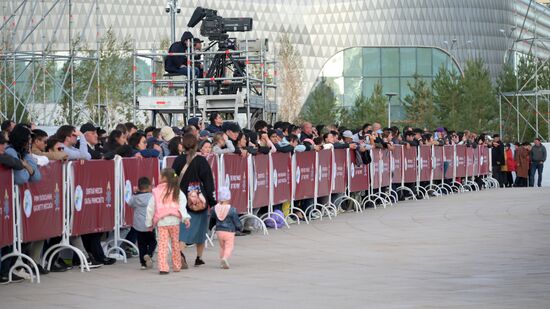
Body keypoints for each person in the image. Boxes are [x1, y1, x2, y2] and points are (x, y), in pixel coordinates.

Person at [172, 133, 216, 268]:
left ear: (183, 145)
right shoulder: (201, 161)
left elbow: (173, 178)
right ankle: (198, 258)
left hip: (181, 199)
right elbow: (208, 182)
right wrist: (212, 201)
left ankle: (179, 254)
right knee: (201, 230)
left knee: (183, 231)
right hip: (199, 200)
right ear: (197, 145)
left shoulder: (178, 160)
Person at [145, 168, 190, 275]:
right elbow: (182, 205)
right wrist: (185, 218)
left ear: (164, 178)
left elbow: (150, 208)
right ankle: (176, 265)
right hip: (174, 221)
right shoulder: (177, 190)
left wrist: (149, 223)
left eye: (160, 175)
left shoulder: (156, 191)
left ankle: (163, 268)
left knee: (162, 245)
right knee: (175, 244)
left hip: (162, 222)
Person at [128, 177, 157, 270]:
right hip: (149, 225)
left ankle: (143, 264)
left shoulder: (135, 197)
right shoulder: (152, 196)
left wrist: (135, 193)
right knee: (153, 241)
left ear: (139, 187)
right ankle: (149, 254)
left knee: (141, 244)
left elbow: (130, 204)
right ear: (149, 187)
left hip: (138, 226)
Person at [211, 186, 242, 269]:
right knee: (229, 246)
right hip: (229, 231)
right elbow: (236, 221)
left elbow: (212, 217)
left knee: (222, 246)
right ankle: (225, 258)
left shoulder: (215, 208)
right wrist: (240, 227)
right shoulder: (232, 210)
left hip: (219, 231)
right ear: (228, 198)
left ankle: (222, 260)